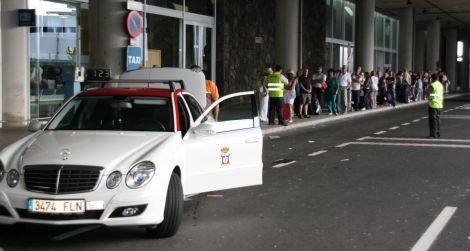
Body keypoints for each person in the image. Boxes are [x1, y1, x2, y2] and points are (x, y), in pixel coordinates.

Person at [427, 73, 444, 138]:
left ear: (432, 78)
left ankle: (433, 134)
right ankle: (437, 133)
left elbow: (428, 94)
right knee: (438, 120)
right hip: (440, 105)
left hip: (433, 105)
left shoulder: (432, 85)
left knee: (432, 121)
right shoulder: (440, 85)